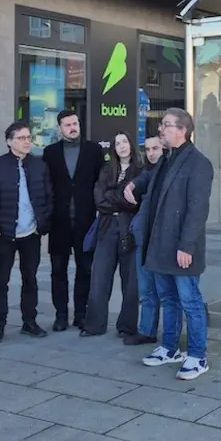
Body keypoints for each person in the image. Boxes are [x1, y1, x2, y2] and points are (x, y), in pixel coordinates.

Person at [124, 108, 214, 380]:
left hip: (180, 247)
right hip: (159, 244)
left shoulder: (198, 164)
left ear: (182, 130)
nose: (161, 129)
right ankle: (169, 348)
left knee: (191, 301)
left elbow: (197, 209)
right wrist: (133, 185)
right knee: (168, 299)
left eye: (166, 125)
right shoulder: (167, 159)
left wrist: (186, 245)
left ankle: (198, 356)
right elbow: (150, 177)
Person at [0, 122, 53, 343]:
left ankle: (30, 322)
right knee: (1, 281)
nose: (27, 141)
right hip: (5, 234)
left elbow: (49, 197)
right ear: (9, 141)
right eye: (21, 138)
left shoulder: (40, 166)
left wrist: (43, 224)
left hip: (31, 233)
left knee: (30, 279)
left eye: (29, 137)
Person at [42, 110, 105, 331]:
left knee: (85, 269)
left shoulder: (94, 151)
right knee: (58, 271)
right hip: (58, 222)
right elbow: (46, 185)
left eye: (75, 123)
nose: (72, 127)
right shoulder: (50, 153)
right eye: (67, 124)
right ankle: (61, 316)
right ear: (60, 128)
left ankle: (80, 314)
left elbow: (101, 183)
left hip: (85, 221)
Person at [81, 132, 144, 337]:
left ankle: (126, 327)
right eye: (117, 143)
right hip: (107, 227)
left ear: (131, 144)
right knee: (99, 278)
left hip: (130, 228)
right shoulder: (107, 170)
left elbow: (138, 202)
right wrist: (123, 198)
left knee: (131, 282)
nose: (122, 146)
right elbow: (99, 200)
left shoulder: (140, 171)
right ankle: (94, 325)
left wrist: (113, 196)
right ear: (113, 148)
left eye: (125, 141)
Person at [123, 136, 166, 346]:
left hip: (162, 240)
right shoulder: (148, 172)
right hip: (144, 237)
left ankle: (171, 337)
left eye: (155, 148)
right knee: (147, 288)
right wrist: (131, 184)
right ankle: (147, 330)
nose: (151, 153)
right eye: (147, 149)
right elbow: (144, 179)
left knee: (168, 292)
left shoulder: (169, 170)